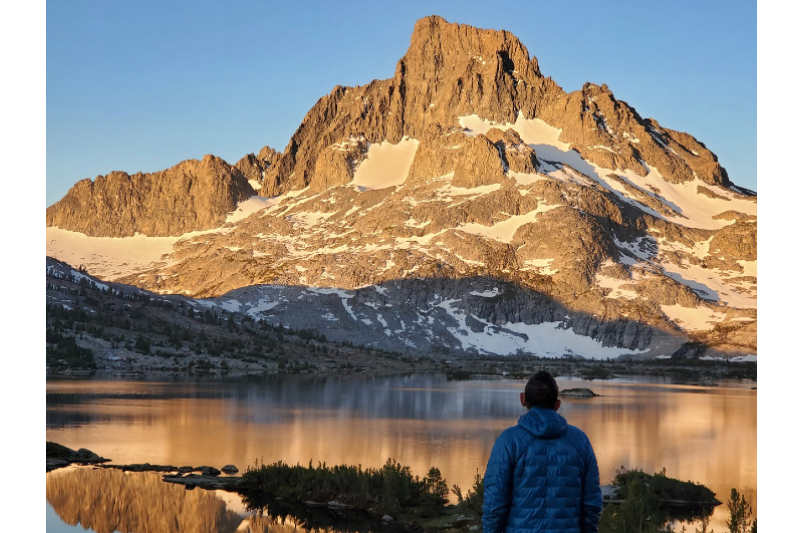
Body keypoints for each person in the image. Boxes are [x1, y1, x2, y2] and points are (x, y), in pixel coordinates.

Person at [482, 371, 603, 533]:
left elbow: (494, 503)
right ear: (557, 405)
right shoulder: (580, 441)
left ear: (523, 399)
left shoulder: (508, 441)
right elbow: (591, 504)